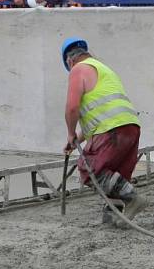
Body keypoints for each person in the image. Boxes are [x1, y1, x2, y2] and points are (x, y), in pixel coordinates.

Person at [62, 37, 147, 226]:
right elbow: (102, 112)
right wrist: (77, 138)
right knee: (115, 174)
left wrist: (69, 132)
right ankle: (112, 218)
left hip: (111, 130)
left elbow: (72, 108)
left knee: (90, 168)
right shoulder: (104, 70)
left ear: (70, 60)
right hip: (129, 127)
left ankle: (133, 199)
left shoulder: (78, 69)